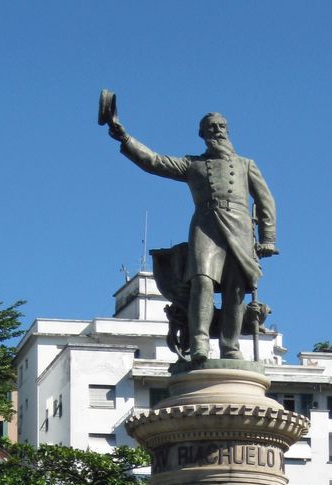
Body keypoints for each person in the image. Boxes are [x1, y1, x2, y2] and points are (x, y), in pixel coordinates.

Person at [108, 111, 277, 362]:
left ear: (228, 131)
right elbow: (154, 161)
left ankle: (230, 346)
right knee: (202, 281)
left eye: (221, 126)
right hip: (206, 226)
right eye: (210, 127)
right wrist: (124, 137)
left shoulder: (246, 165)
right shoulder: (192, 164)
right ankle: (199, 340)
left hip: (239, 228)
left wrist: (268, 238)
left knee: (235, 288)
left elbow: (266, 201)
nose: (217, 131)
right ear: (202, 134)